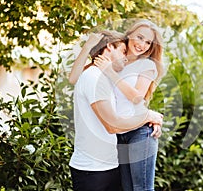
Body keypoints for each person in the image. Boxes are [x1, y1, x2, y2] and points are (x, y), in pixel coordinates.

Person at [69, 19, 164, 191]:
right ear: (129, 36)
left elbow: (137, 98)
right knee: (127, 188)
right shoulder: (117, 61)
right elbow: (74, 79)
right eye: (140, 37)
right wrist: (88, 46)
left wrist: (149, 117)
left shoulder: (146, 65)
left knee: (142, 188)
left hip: (139, 131)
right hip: (118, 134)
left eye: (148, 42)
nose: (142, 44)